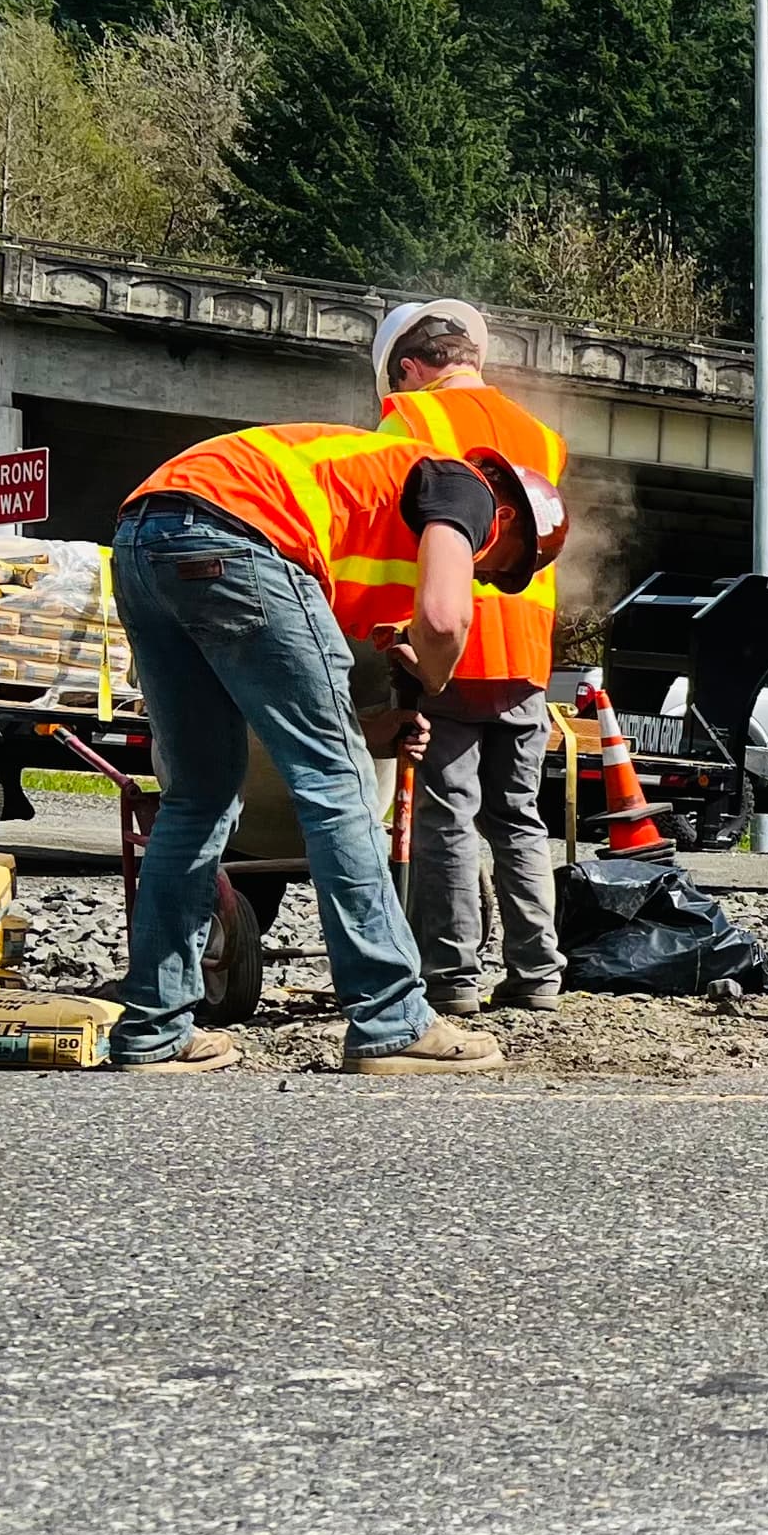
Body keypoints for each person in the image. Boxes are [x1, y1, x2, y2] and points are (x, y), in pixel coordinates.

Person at [105, 416, 565, 1076]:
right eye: (496, 570)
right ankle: (392, 1018)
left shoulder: (356, 523)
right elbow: (444, 618)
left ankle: (153, 1030)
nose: (484, 577)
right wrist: (434, 671)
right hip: (237, 532)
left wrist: (369, 731)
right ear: (510, 526)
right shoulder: (466, 487)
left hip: (145, 537)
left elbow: (281, 695)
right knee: (339, 788)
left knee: (199, 795)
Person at [371, 298, 569, 1016]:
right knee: (518, 816)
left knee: (448, 811)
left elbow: (405, 535)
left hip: (453, 637)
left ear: (415, 366)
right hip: (526, 646)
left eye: (402, 376)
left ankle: (450, 978)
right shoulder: (542, 436)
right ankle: (538, 975)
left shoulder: (412, 419)